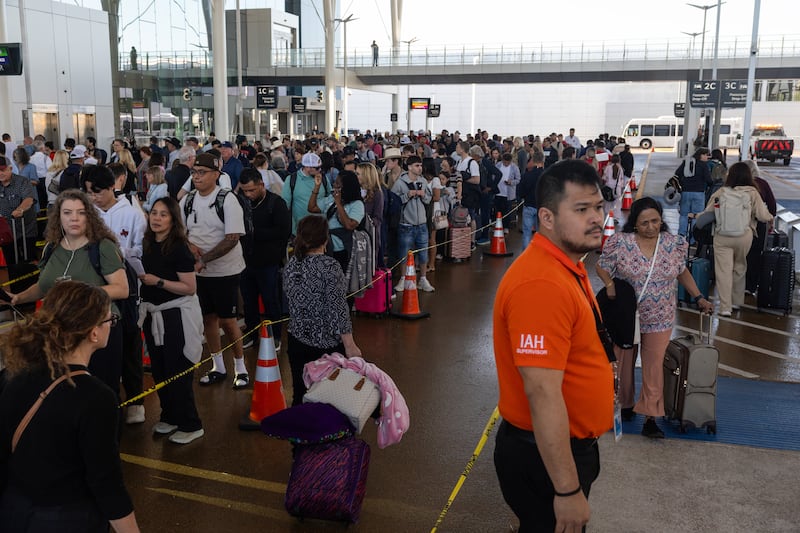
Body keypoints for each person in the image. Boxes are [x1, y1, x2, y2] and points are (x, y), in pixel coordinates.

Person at [493, 159, 614, 532]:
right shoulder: (541, 285)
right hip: (542, 457)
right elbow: (543, 393)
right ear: (546, 218)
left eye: (598, 207)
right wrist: (566, 490)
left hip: (555, 448)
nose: (596, 218)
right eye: (581, 210)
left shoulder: (565, 265)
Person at [0, 281, 139, 532]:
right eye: (110, 320)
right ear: (93, 333)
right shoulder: (97, 397)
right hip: (68, 518)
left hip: (14, 512)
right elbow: (106, 484)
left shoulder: (15, 376)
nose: (112, 325)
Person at [596, 197, 713, 439]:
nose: (651, 227)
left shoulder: (673, 244)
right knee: (623, 362)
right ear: (635, 224)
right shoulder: (620, 242)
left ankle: (651, 417)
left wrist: (699, 297)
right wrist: (609, 284)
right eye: (645, 222)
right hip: (626, 315)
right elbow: (602, 266)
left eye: (656, 221)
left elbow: (682, 272)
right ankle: (625, 405)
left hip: (660, 316)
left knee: (654, 366)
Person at [10, 190, 128, 399]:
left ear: (89, 216)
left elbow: (121, 288)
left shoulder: (102, 247)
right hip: (59, 333)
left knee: (101, 393)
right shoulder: (51, 248)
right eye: (67, 212)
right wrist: (18, 297)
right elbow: (43, 286)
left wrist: (76, 295)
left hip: (96, 332)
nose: (74, 218)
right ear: (58, 217)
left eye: (81, 212)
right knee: (68, 395)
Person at [180, 153, 249, 389]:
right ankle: (217, 365)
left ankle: (241, 368)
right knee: (208, 319)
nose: (196, 177)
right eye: (194, 172)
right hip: (200, 273)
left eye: (202, 173)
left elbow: (232, 238)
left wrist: (204, 259)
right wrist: (190, 247)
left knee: (228, 321)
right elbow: (179, 230)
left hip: (225, 271)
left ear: (216, 175)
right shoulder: (187, 200)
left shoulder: (227, 199)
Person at [138, 197, 205, 444]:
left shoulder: (179, 247)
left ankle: (191, 422)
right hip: (153, 314)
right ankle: (171, 415)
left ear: (173, 219)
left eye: (163, 214)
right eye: (154, 213)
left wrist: (158, 281)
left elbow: (189, 287)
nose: (156, 218)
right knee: (159, 369)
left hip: (176, 315)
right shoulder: (146, 242)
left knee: (178, 370)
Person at [283, 215, 362, 406]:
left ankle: (299, 434)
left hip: (297, 338)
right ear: (325, 239)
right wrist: (350, 345)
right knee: (330, 397)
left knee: (300, 393)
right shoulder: (330, 267)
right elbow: (338, 309)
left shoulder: (292, 264)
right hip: (326, 343)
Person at [693, 162, 773, 317]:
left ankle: (725, 307)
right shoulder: (752, 192)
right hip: (744, 236)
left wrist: (696, 216)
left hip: (722, 236)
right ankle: (736, 301)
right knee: (740, 266)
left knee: (723, 271)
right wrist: (770, 217)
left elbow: (707, 212)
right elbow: (762, 215)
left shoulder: (722, 192)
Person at [237, 168, 291, 350]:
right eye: (245, 190)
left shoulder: (276, 204)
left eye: (251, 190)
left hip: (268, 263)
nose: (248, 194)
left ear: (261, 184)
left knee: (271, 301)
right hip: (245, 262)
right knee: (249, 302)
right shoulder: (242, 203)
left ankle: (276, 336)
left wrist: (254, 233)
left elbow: (284, 232)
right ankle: (251, 334)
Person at [308, 169, 365, 275]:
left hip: (342, 249)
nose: (334, 184)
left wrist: (338, 204)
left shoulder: (357, 204)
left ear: (346, 187)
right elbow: (312, 208)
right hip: (326, 247)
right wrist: (317, 187)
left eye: (338, 183)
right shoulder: (331, 198)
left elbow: (349, 225)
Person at [391, 155, 434, 292]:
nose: (420, 168)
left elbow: (428, 199)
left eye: (420, 165)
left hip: (422, 223)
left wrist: (423, 195)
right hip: (406, 224)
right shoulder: (400, 183)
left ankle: (423, 278)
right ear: (409, 167)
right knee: (404, 252)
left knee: (423, 253)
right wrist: (407, 195)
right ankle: (403, 278)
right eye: (417, 165)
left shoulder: (423, 181)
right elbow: (394, 202)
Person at [741, 159, 777, 294]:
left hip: (739, 223)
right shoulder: (762, 184)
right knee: (755, 255)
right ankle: (751, 286)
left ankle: (738, 284)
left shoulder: (738, 184)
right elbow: (772, 205)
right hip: (758, 225)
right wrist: (770, 217)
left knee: (740, 255)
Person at [0, 156, 37, 266]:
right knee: (11, 261)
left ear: (10, 168)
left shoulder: (22, 181)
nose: (0, 173)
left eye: (2, 170)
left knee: (29, 260)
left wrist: (20, 209)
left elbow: (29, 199)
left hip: (26, 228)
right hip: (7, 232)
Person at [676, 147, 712, 240]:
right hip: (699, 193)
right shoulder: (703, 165)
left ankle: (681, 236)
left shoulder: (687, 162)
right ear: (701, 155)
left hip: (685, 192)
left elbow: (677, 173)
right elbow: (709, 180)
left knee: (684, 214)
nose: (707, 157)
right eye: (706, 155)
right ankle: (692, 238)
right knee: (696, 216)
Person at [356, 162, 384, 267]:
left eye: (358, 174)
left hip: (370, 235)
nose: (356, 176)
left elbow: (378, 218)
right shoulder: (355, 191)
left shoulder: (377, 193)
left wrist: (367, 222)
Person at [517, 151, 544, 249]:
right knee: (541, 234)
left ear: (533, 160)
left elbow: (521, 191)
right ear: (542, 160)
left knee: (527, 233)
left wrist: (522, 197)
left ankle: (525, 255)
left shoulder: (527, 175)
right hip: (542, 207)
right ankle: (540, 254)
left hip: (528, 205)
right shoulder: (546, 175)